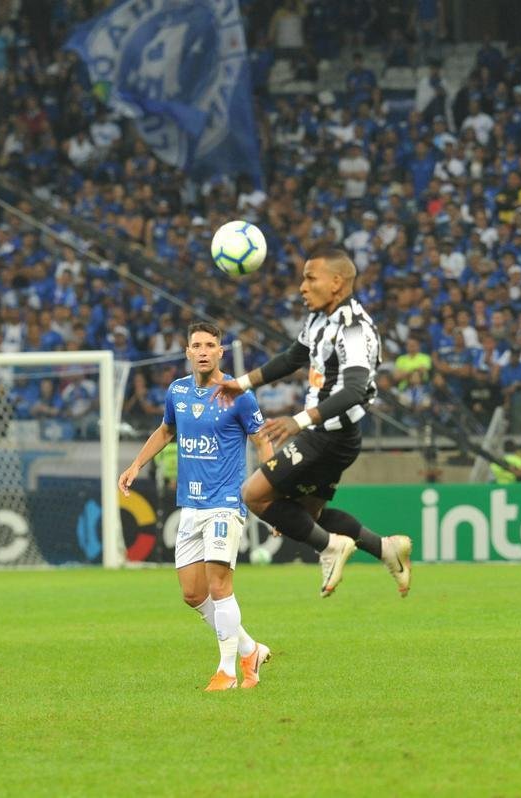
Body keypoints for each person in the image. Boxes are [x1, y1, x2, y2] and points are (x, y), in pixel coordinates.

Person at [214, 247, 412, 598]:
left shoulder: (354, 328)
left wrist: (299, 421)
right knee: (307, 518)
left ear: (336, 282)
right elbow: (292, 358)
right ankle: (385, 549)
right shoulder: (320, 319)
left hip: (329, 436)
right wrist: (241, 383)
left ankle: (331, 547)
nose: (302, 287)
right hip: (329, 436)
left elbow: (354, 390)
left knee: (253, 495)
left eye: (310, 278)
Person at [118, 322, 273, 691]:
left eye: (209, 345)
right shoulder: (178, 391)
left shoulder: (238, 394)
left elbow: (262, 442)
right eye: (197, 345)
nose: (203, 351)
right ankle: (250, 650)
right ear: (187, 352)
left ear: (220, 351)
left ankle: (227, 672)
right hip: (191, 504)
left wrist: (272, 495)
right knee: (192, 594)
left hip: (226, 502)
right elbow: (166, 430)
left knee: (219, 586)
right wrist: (136, 464)